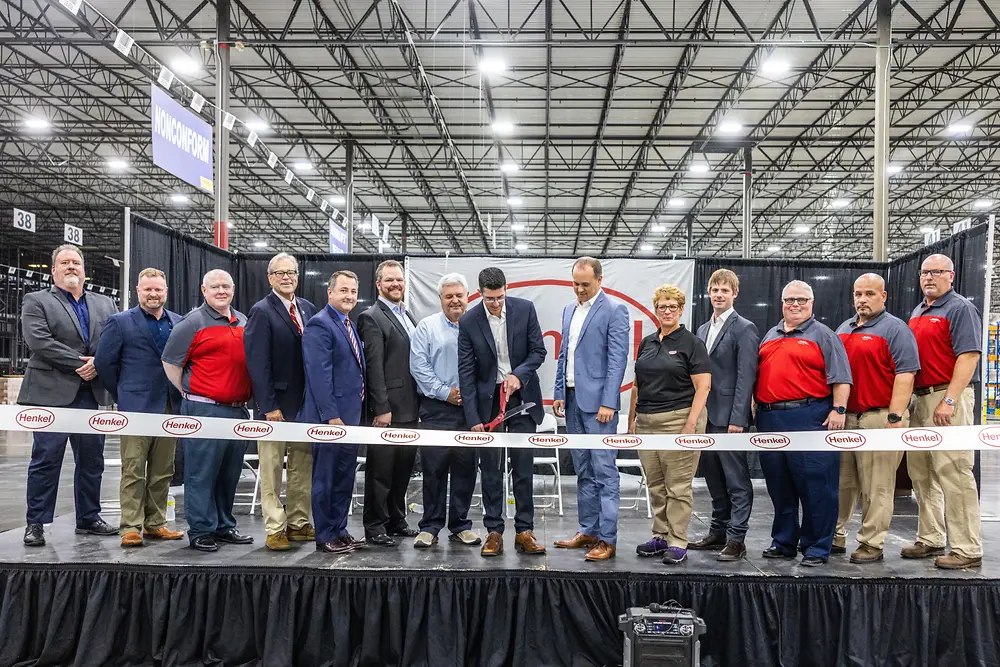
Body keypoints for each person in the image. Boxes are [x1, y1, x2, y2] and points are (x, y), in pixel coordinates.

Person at [20, 244, 119, 546]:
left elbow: (114, 340)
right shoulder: (36, 300)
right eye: (64, 263)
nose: (71, 267)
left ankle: (88, 517)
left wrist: (98, 363)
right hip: (51, 393)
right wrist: (83, 364)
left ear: (84, 269)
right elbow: (39, 341)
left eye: (76, 262)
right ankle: (36, 522)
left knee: (92, 459)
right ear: (54, 271)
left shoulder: (106, 304)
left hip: (92, 395)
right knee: (46, 459)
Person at [755, 280, 852, 567]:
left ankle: (816, 547)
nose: (795, 305)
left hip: (810, 417)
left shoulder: (824, 335)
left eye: (801, 300)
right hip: (770, 418)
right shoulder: (768, 336)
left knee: (817, 486)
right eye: (789, 300)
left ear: (812, 303)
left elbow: (841, 377)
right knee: (779, 485)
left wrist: (838, 410)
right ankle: (784, 541)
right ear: (781, 303)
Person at [161, 269, 254, 553]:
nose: (221, 291)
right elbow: (171, 363)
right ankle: (201, 529)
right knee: (201, 473)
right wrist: (191, 393)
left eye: (226, 286)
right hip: (204, 410)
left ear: (234, 288)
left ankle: (224, 525)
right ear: (204, 290)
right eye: (215, 287)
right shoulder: (192, 323)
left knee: (229, 473)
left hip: (238, 411)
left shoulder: (244, 321)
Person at [458, 267, 547, 557]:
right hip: (487, 406)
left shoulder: (525, 310)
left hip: (521, 399)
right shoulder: (469, 321)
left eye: (499, 297)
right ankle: (494, 531)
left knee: (523, 468)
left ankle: (524, 531)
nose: (495, 303)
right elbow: (467, 373)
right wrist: (473, 418)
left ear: (505, 290)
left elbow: (538, 351)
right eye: (489, 298)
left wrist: (518, 375)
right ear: (480, 293)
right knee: (492, 471)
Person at [94, 267, 184, 548]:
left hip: (169, 406)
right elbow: (104, 363)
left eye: (158, 289)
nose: (153, 294)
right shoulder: (120, 322)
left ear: (166, 292)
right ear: (138, 291)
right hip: (135, 408)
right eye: (148, 289)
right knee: (133, 468)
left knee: (163, 469)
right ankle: (130, 526)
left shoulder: (179, 323)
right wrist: (123, 392)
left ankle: (155, 523)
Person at [834, 273, 919, 563]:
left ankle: (872, 542)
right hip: (847, 419)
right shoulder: (844, 328)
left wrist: (895, 418)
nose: (862, 299)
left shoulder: (896, 329)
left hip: (880, 417)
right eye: (858, 294)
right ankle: (835, 534)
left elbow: (905, 375)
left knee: (876, 485)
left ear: (883, 296)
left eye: (870, 294)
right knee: (842, 483)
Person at [904, 254, 982, 569]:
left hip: (949, 397)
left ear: (951, 276)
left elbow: (969, 355)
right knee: (921, 473)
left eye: (936, 272)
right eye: (925, 272)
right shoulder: (919, 310)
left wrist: (949, 400)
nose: (929, 277)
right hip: (920, 399)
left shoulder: (960, 308)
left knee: (954, 471)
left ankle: (967, 548)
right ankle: (931, 537)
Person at [551, 257, 629, 561]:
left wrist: (609, 401)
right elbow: (563, 356)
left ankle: (607, 539)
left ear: (599, 280)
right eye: (575, 284)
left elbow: (618, 359)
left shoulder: (614, 310)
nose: (579, 290)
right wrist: (559, 392)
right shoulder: (569, 309)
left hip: (600, 407)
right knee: (583, 471)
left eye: (585, 284)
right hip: (571, 401)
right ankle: (589, 530)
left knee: (604, 472)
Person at [628, 285, 711, 566]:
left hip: (679, 420)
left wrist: (690, 424)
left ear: (680, 309)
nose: (666, 311)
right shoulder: (647, 343)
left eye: (672, 307)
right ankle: (660, 536)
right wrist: (631, 420)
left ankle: (677, 541)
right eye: (662, 306)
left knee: (678, 486)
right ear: (655, 309)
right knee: (656, 485)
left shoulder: (692, 343)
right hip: (647, 423)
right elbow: (637, 384)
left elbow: (703, 387)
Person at [244, 253, 317, 551]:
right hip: (275, 407)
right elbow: (257, 364)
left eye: (292, 272)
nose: (287, 277)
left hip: (304, 404)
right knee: (272, 468)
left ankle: (299, 522)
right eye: (280, 273)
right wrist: (268, 406)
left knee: (302, 465)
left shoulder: (308, 308)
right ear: (270, 277)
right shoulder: (261, 311)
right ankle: (275, 527)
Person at [689, 269, 759, 562]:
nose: (719, 294)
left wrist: (738, 418)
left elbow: (746, 376)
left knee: (737, 481)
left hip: (729, 418)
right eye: (714, 289)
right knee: (714, 480)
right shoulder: (703, 330)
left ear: (735, 294)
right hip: (706, 416)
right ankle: (717, 532)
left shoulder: (744, 328)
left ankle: (736, 538)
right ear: (709, 292)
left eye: (724, 290)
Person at [409, 273, 481, 549]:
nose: (454, 300)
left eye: (458, 295)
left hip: (471, 411)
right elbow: (419, 367)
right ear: (440, 299)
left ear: (468, 297)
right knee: (434, 469)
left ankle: (460, 525)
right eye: (448, 296)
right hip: (436, 408)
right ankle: (430, 526)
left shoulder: (478, 326)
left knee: (466, 469)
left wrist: (470, 399)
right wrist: (446, 393)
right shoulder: (426, 328)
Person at [300, 270, 368, 555]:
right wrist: (331, 415)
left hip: (350, 417)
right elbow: (319, 375)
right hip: (331, 418)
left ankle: (340, 530)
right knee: (325, 478)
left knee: (344, 477)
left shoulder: (348, 324)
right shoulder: (320, 325)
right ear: (330, 293)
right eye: (343, 290)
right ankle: (325, 534)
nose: (349, 296)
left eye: (353, 291)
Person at [357, 260, 419, 546]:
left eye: (399, 280)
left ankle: (396, 519)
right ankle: (375, 525)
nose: (396, 284)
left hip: (410, 407)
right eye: (390, 280)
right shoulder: (372, 317)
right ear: (379, 284)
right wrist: (380, 408)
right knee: (380, 470)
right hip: (387, 410)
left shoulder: (408, 315)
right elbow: (374, 368)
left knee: (403, 468)